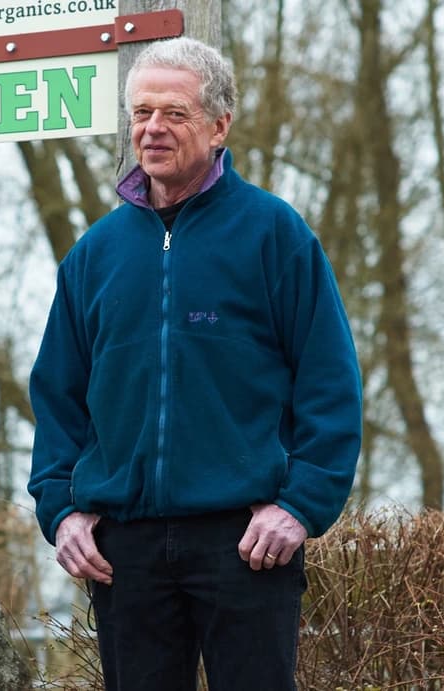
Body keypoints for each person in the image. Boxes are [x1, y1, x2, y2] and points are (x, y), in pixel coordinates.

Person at [27, 37, 363, 691]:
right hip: (125, 549)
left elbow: (330, 381)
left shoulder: (275, 234)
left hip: (247, 542)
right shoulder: (94, 255)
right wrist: (61, 508)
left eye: (174, 113)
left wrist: (299, 504)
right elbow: (58, 399)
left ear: (219, 125)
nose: (152, 128)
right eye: (142, 112)